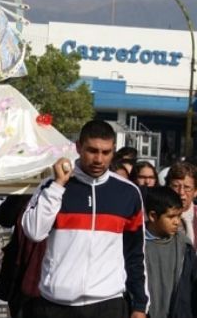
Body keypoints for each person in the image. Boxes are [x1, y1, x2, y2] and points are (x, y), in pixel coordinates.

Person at [22, 119, 148, 317]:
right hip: (54, 305)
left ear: (113, 151)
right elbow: (34, 232)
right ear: (78, 147)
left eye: (106, 152)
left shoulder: (128, 192)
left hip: (108, 304)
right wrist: (57, 186)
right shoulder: (52, 186)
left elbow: (134, 254)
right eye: (92, 150)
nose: (99, 159)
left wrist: (140, 305)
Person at [143, 187, 197, 318]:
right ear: (153, 216)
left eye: (179, 215)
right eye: (171, 216)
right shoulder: (137, 244)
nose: (177, 222)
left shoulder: (184, 246)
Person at [164, 161, 197, 247]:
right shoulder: (158, 217)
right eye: (175, 186)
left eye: (187, 187)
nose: (181, 192)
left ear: (195, 191)